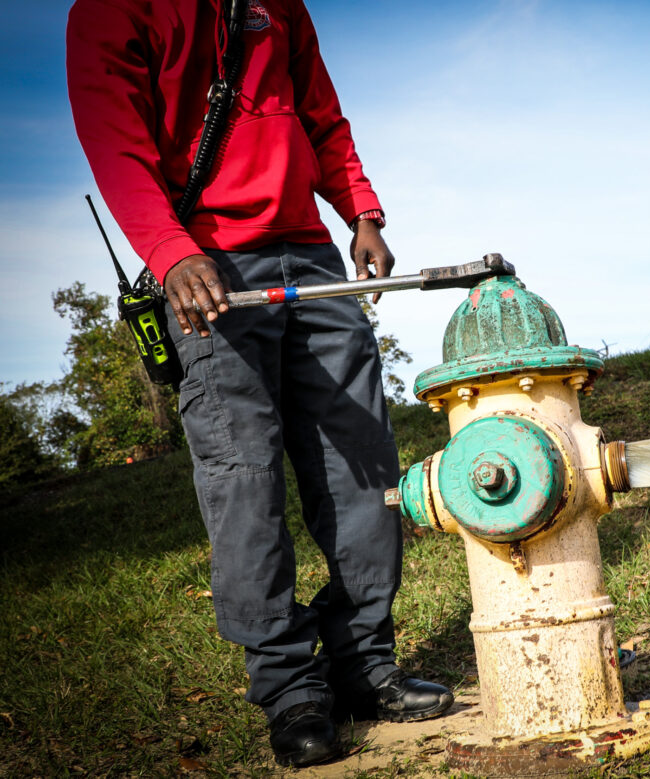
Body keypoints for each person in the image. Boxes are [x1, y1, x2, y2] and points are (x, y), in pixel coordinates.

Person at [66, 0, 452, 768]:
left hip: (311, 257)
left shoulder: (281, 5)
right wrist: (172, 253)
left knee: (361, 467)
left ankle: (365, 665)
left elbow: (321, 110)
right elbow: (116, 145)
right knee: (244, 482)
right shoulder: (108, 11)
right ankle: (290, 690)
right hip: (208, 271)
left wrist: (360, 210)